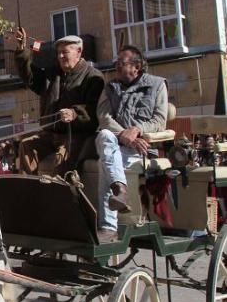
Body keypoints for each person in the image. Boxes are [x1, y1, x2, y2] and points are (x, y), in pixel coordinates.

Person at [94, 45, 169, 243]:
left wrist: (137, 131)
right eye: (116, 63)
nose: (117, 66)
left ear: (137, 66)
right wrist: (124, 135)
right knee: (104, 136)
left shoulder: (157, 85)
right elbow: (104, 117)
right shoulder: (110, 88)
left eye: (122, 63)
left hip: (142, 150)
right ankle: (121, 190)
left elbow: (160, 121)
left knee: (106, 164)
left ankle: (109, 227)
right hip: (117, 144)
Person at [14, 28, 105, 176]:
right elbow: (29, 76)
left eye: (65, 52)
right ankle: (28, 190)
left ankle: (62, 195)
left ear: (79, 51)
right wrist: (21, 49)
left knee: (61, 159)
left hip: (76, 136)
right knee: (26, 145)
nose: (61, 56)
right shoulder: (52, 73)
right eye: (59, 52)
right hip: (49, 134)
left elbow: (96, 110)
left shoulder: (93, 76)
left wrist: (75, 114)